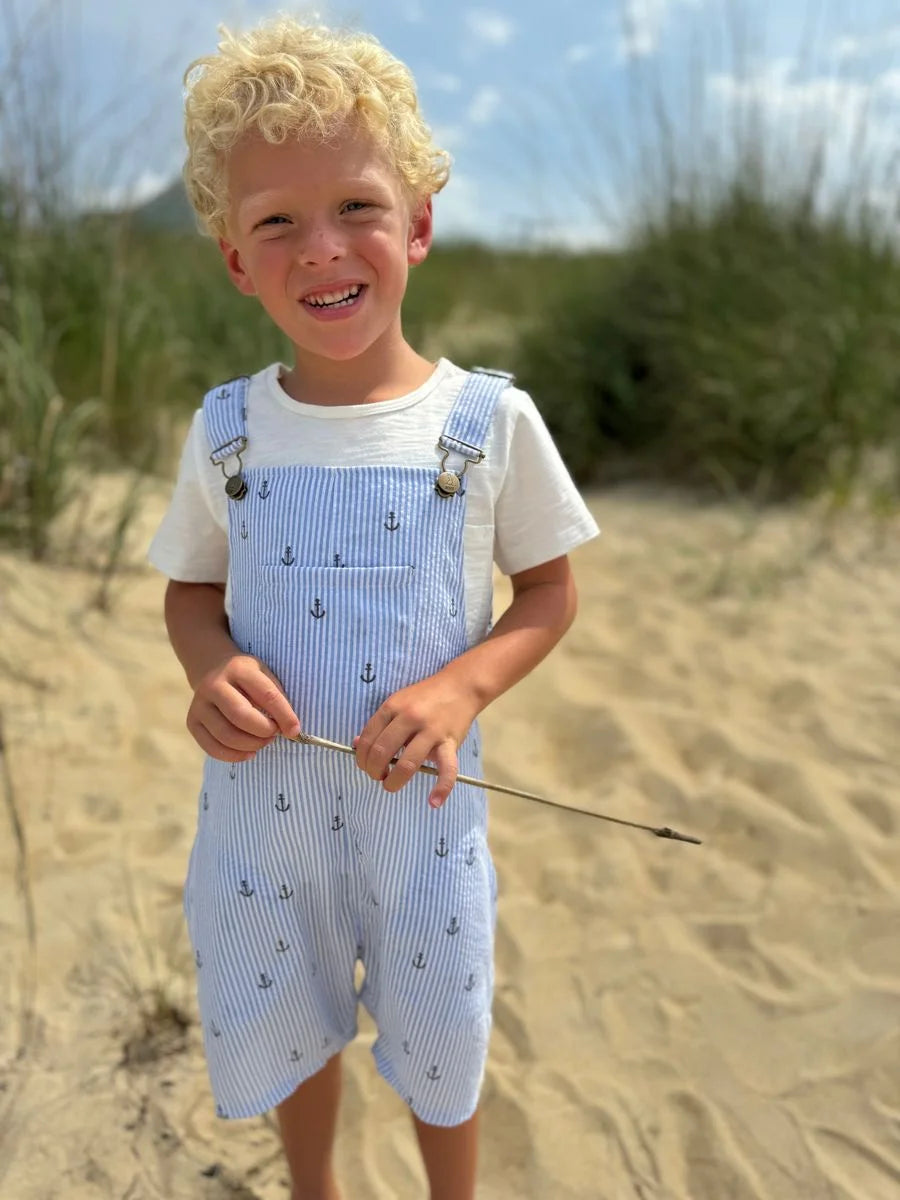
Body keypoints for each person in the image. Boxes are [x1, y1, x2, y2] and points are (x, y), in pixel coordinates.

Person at [148, 16, 599, 1200]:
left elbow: (547, 593)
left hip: (426, 830)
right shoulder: (227, 429)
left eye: (356, 205)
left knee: (443, 1041)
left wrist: (461, 687)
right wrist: (207, 669)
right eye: (275, 222)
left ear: (419, 226)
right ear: (238, 262)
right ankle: (315, 1188)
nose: (322, 248)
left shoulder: (487, 424)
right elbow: (191, 589)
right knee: (288, 1021)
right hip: (261, 822)